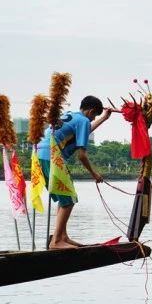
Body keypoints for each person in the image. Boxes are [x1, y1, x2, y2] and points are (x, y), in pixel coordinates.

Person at [37, 96, 112, 249]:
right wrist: (94, 174)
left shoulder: (73, 115)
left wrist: (104, 118)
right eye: (94, 116)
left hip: (40, 154)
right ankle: (56, 241)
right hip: (52, 156)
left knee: (64, 198)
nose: (92, 120)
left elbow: (85, 130)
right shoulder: (84, 120)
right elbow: (82, 155)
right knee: (69, 199)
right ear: (90, 111)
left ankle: (62, 236)